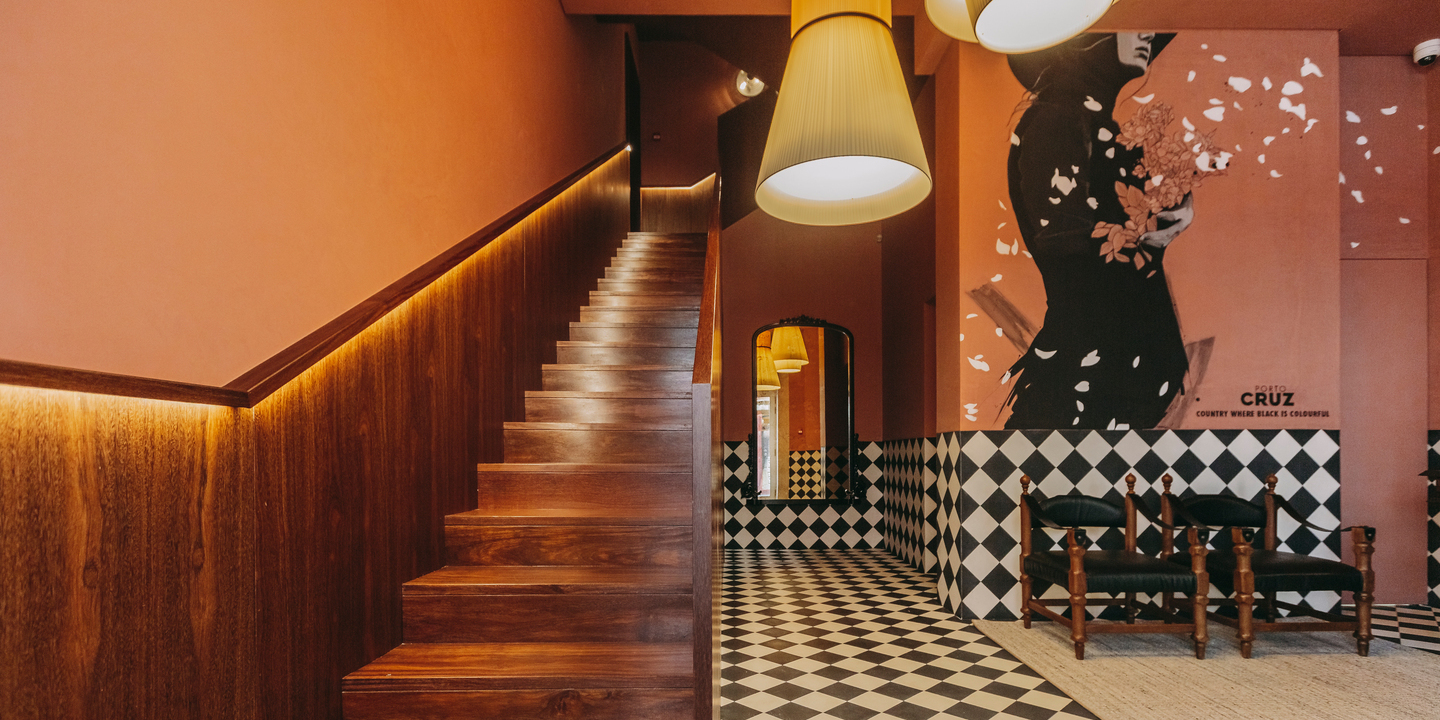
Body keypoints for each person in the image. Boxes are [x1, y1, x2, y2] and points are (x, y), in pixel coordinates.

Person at [1002, 32, 1192, 430]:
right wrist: (1144, 233)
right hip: (1087, 377)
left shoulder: (1101, 127)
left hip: (1110, 375)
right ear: (1087, 41)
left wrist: (1163, 221)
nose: (1145, 33)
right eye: (1129, 23)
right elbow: (1069, 256)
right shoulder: (1057, 121)